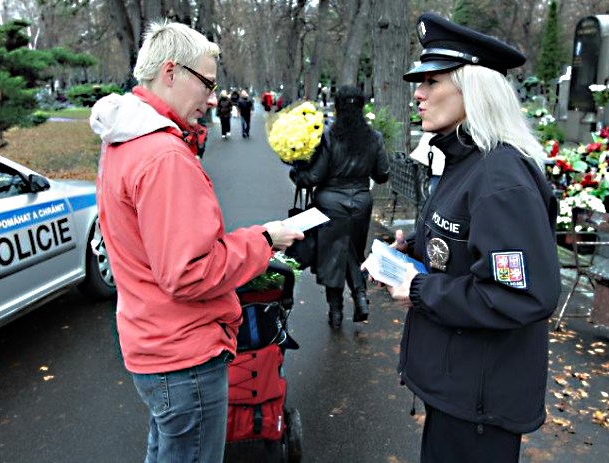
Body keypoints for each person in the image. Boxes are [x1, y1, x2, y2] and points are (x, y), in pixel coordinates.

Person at [88, 21, 303, 463]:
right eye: (207, 83)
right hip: (183, 353)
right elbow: (190, 272)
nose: (211, 98)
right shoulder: (163, 156)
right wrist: (265, 238)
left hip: (154, 341)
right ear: (171, 72)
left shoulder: (125, 142)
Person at [381, 13, 561, 462]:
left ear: (473, 89)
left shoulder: (500, 178)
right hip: (459, 386)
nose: (418, 94)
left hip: (481, 399)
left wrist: (421, 289)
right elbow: (469, 249)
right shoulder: (466, 160)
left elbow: (522, 294)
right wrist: (414, 252)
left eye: (432, 81)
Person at [290, 85, 390, 328]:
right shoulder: (374, 138)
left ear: (337, 106)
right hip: (360, 203)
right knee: (351, 252)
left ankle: (335, 312)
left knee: (332, 256)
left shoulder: (328, 136)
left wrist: (297, 174)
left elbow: (314, 176)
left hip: (330, 204)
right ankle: (360, 296)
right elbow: (382, 174)